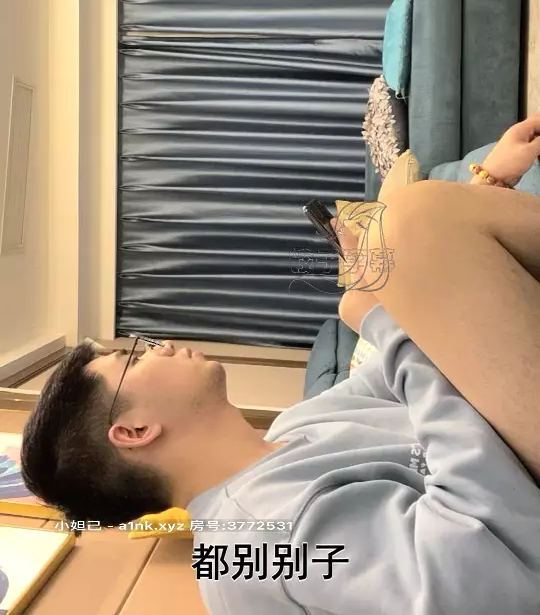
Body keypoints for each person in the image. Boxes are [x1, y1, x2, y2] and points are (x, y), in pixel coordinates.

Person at [21, 116, 540, 614]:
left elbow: (418, 357)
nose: (161, 346)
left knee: (399, 229)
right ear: (135, 430)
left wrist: (485, 186)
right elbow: (485, 577)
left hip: (516, 481)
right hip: (521, 535)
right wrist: (378, 317)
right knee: (414, 218)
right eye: (134, 357)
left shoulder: (295, 428)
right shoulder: (248, 547)